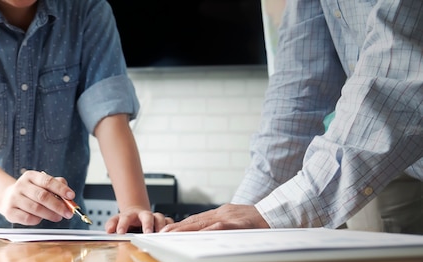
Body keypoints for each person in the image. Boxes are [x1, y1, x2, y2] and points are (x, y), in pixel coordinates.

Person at [0, 0, 171, 234]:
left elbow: (110, 115)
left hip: (62, 242)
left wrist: (134, 206)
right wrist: (5, 194)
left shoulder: (89, 11)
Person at [162, 0, 423, 233]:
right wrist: (238, 213)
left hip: (380, 146)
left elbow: (398, 75)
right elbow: (299, 87)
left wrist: (272, 213)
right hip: (387, 165)